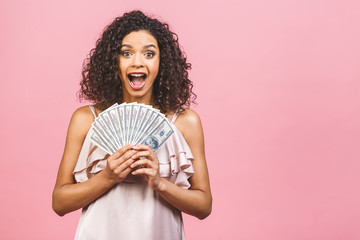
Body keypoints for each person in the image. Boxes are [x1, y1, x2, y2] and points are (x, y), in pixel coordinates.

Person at [52, 10, 212, 240]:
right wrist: (107, 177)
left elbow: (204, 206)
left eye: (149, 54)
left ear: (162, 61)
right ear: (113, 61)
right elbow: (59, 202)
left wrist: (161, 183)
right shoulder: (85, 119)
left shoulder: (186, 122)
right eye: (126, 53)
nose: (137, 62)